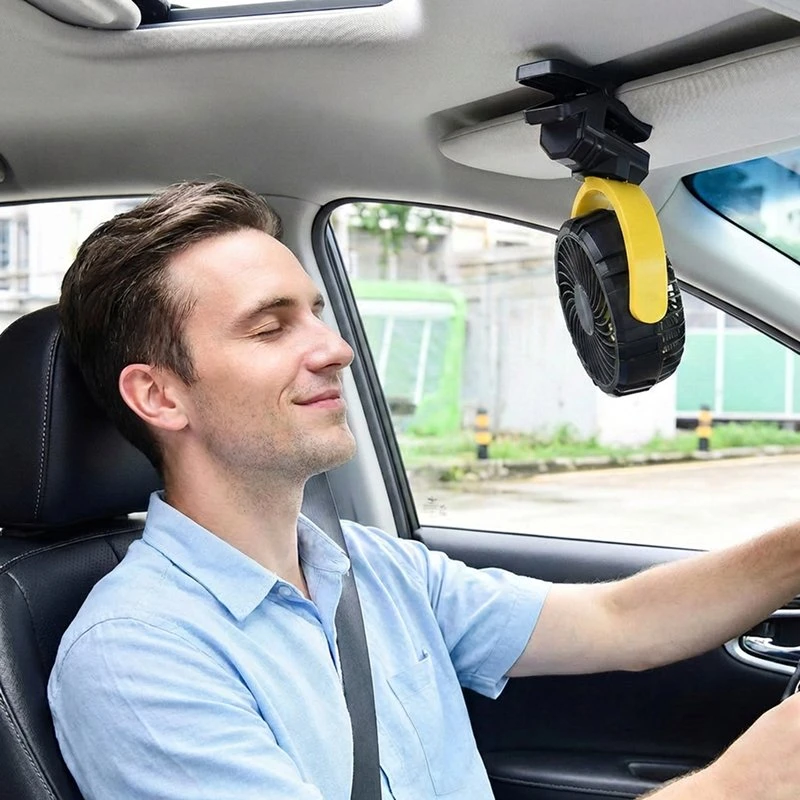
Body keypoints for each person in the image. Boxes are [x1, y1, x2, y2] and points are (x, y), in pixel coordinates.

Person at [49, 179, 800, 800]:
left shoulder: (369, 567)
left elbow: (617, 621)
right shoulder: (135, 657)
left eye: (316, 313)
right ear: (159, 396)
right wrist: (744, 785)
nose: (336, 348)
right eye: (270, 328)